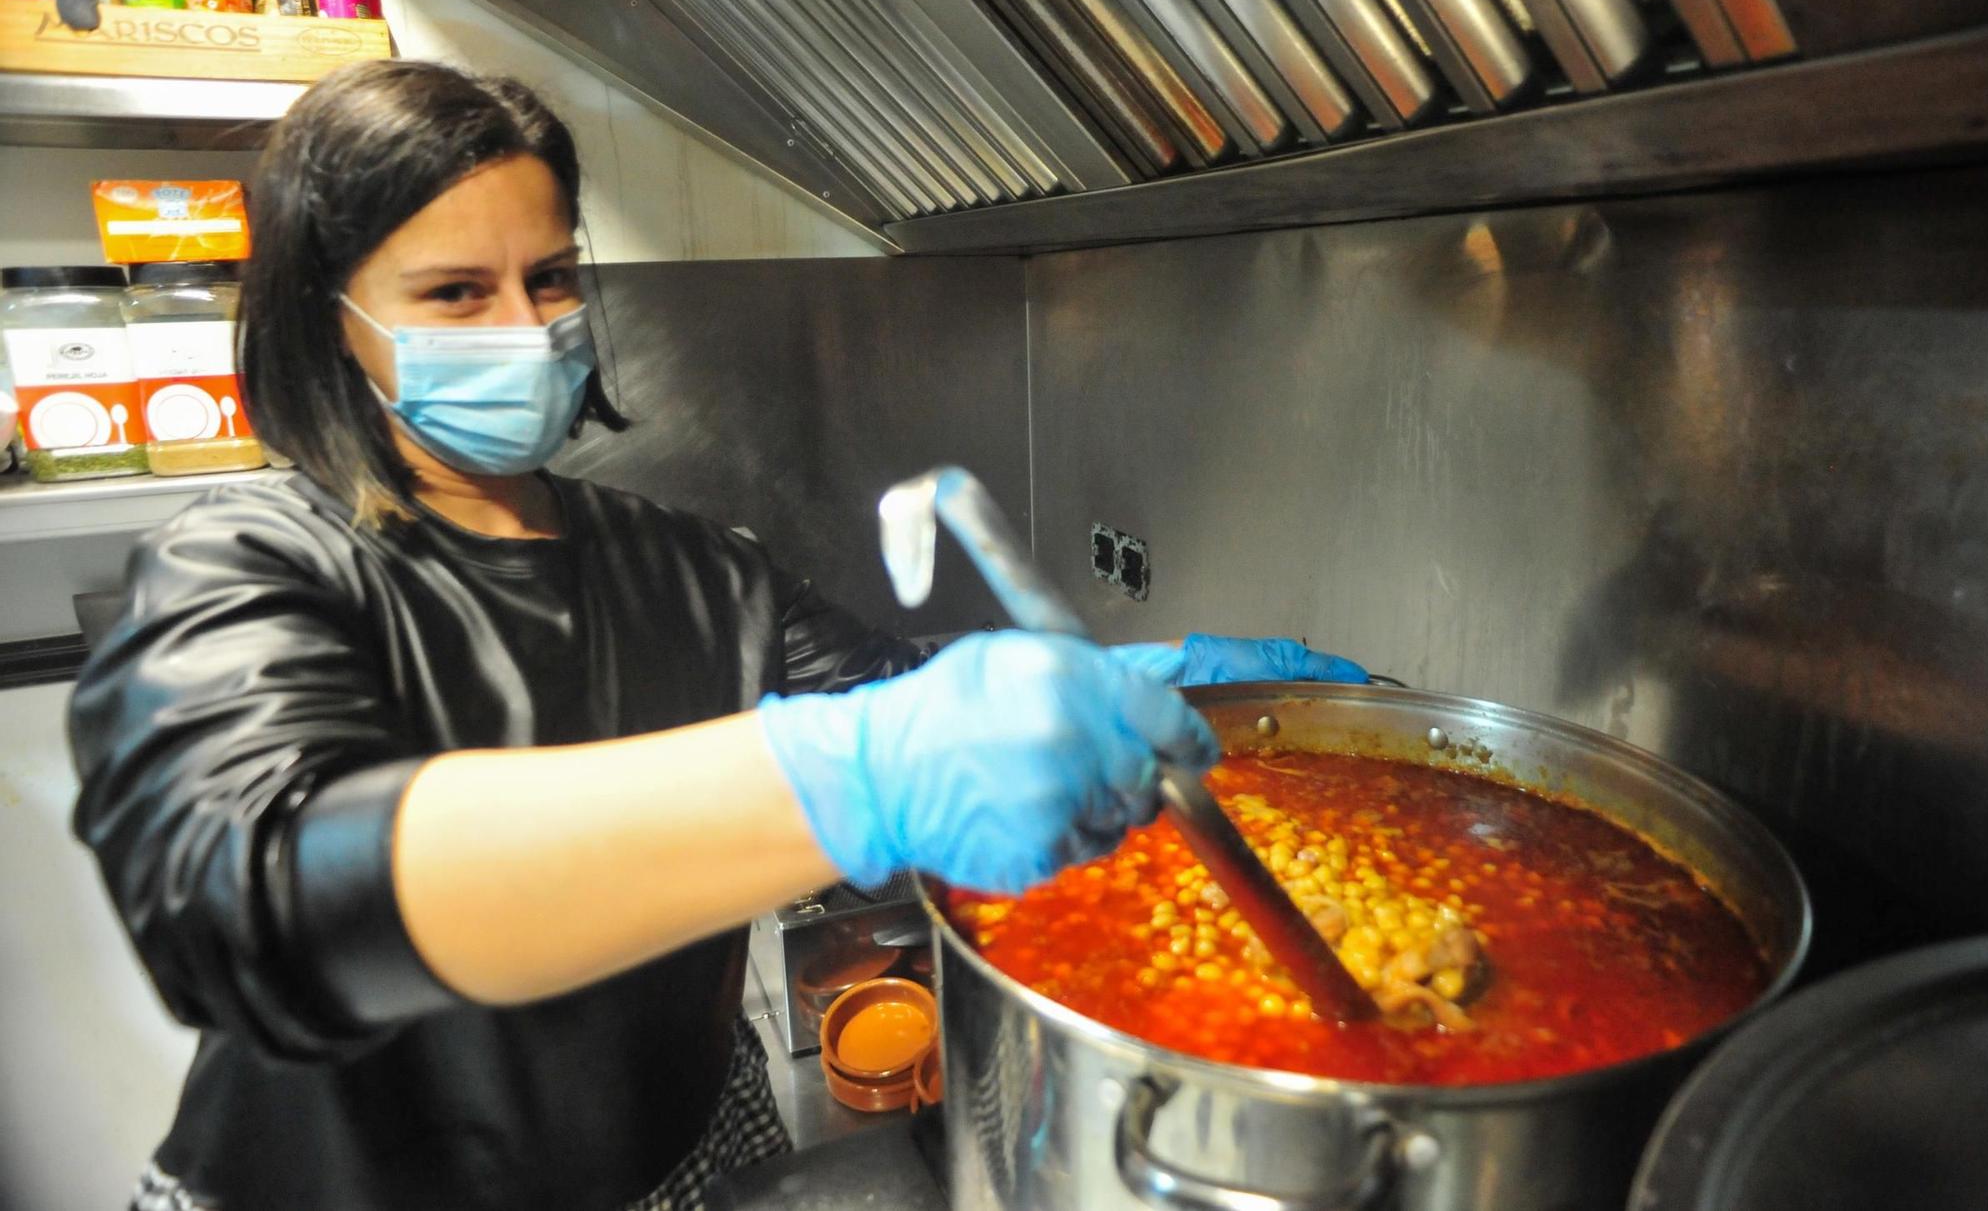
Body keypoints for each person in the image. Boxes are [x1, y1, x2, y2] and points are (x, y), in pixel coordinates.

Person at [68, 60, 1370, 1211]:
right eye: (456, 293)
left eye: (553, 278)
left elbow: (907, 699)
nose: (526, 332)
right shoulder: (239, 563)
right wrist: (850, 774)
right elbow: (251, 900)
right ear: (329, 320)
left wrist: (1191, 683)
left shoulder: (690, 569)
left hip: (676, 1160)